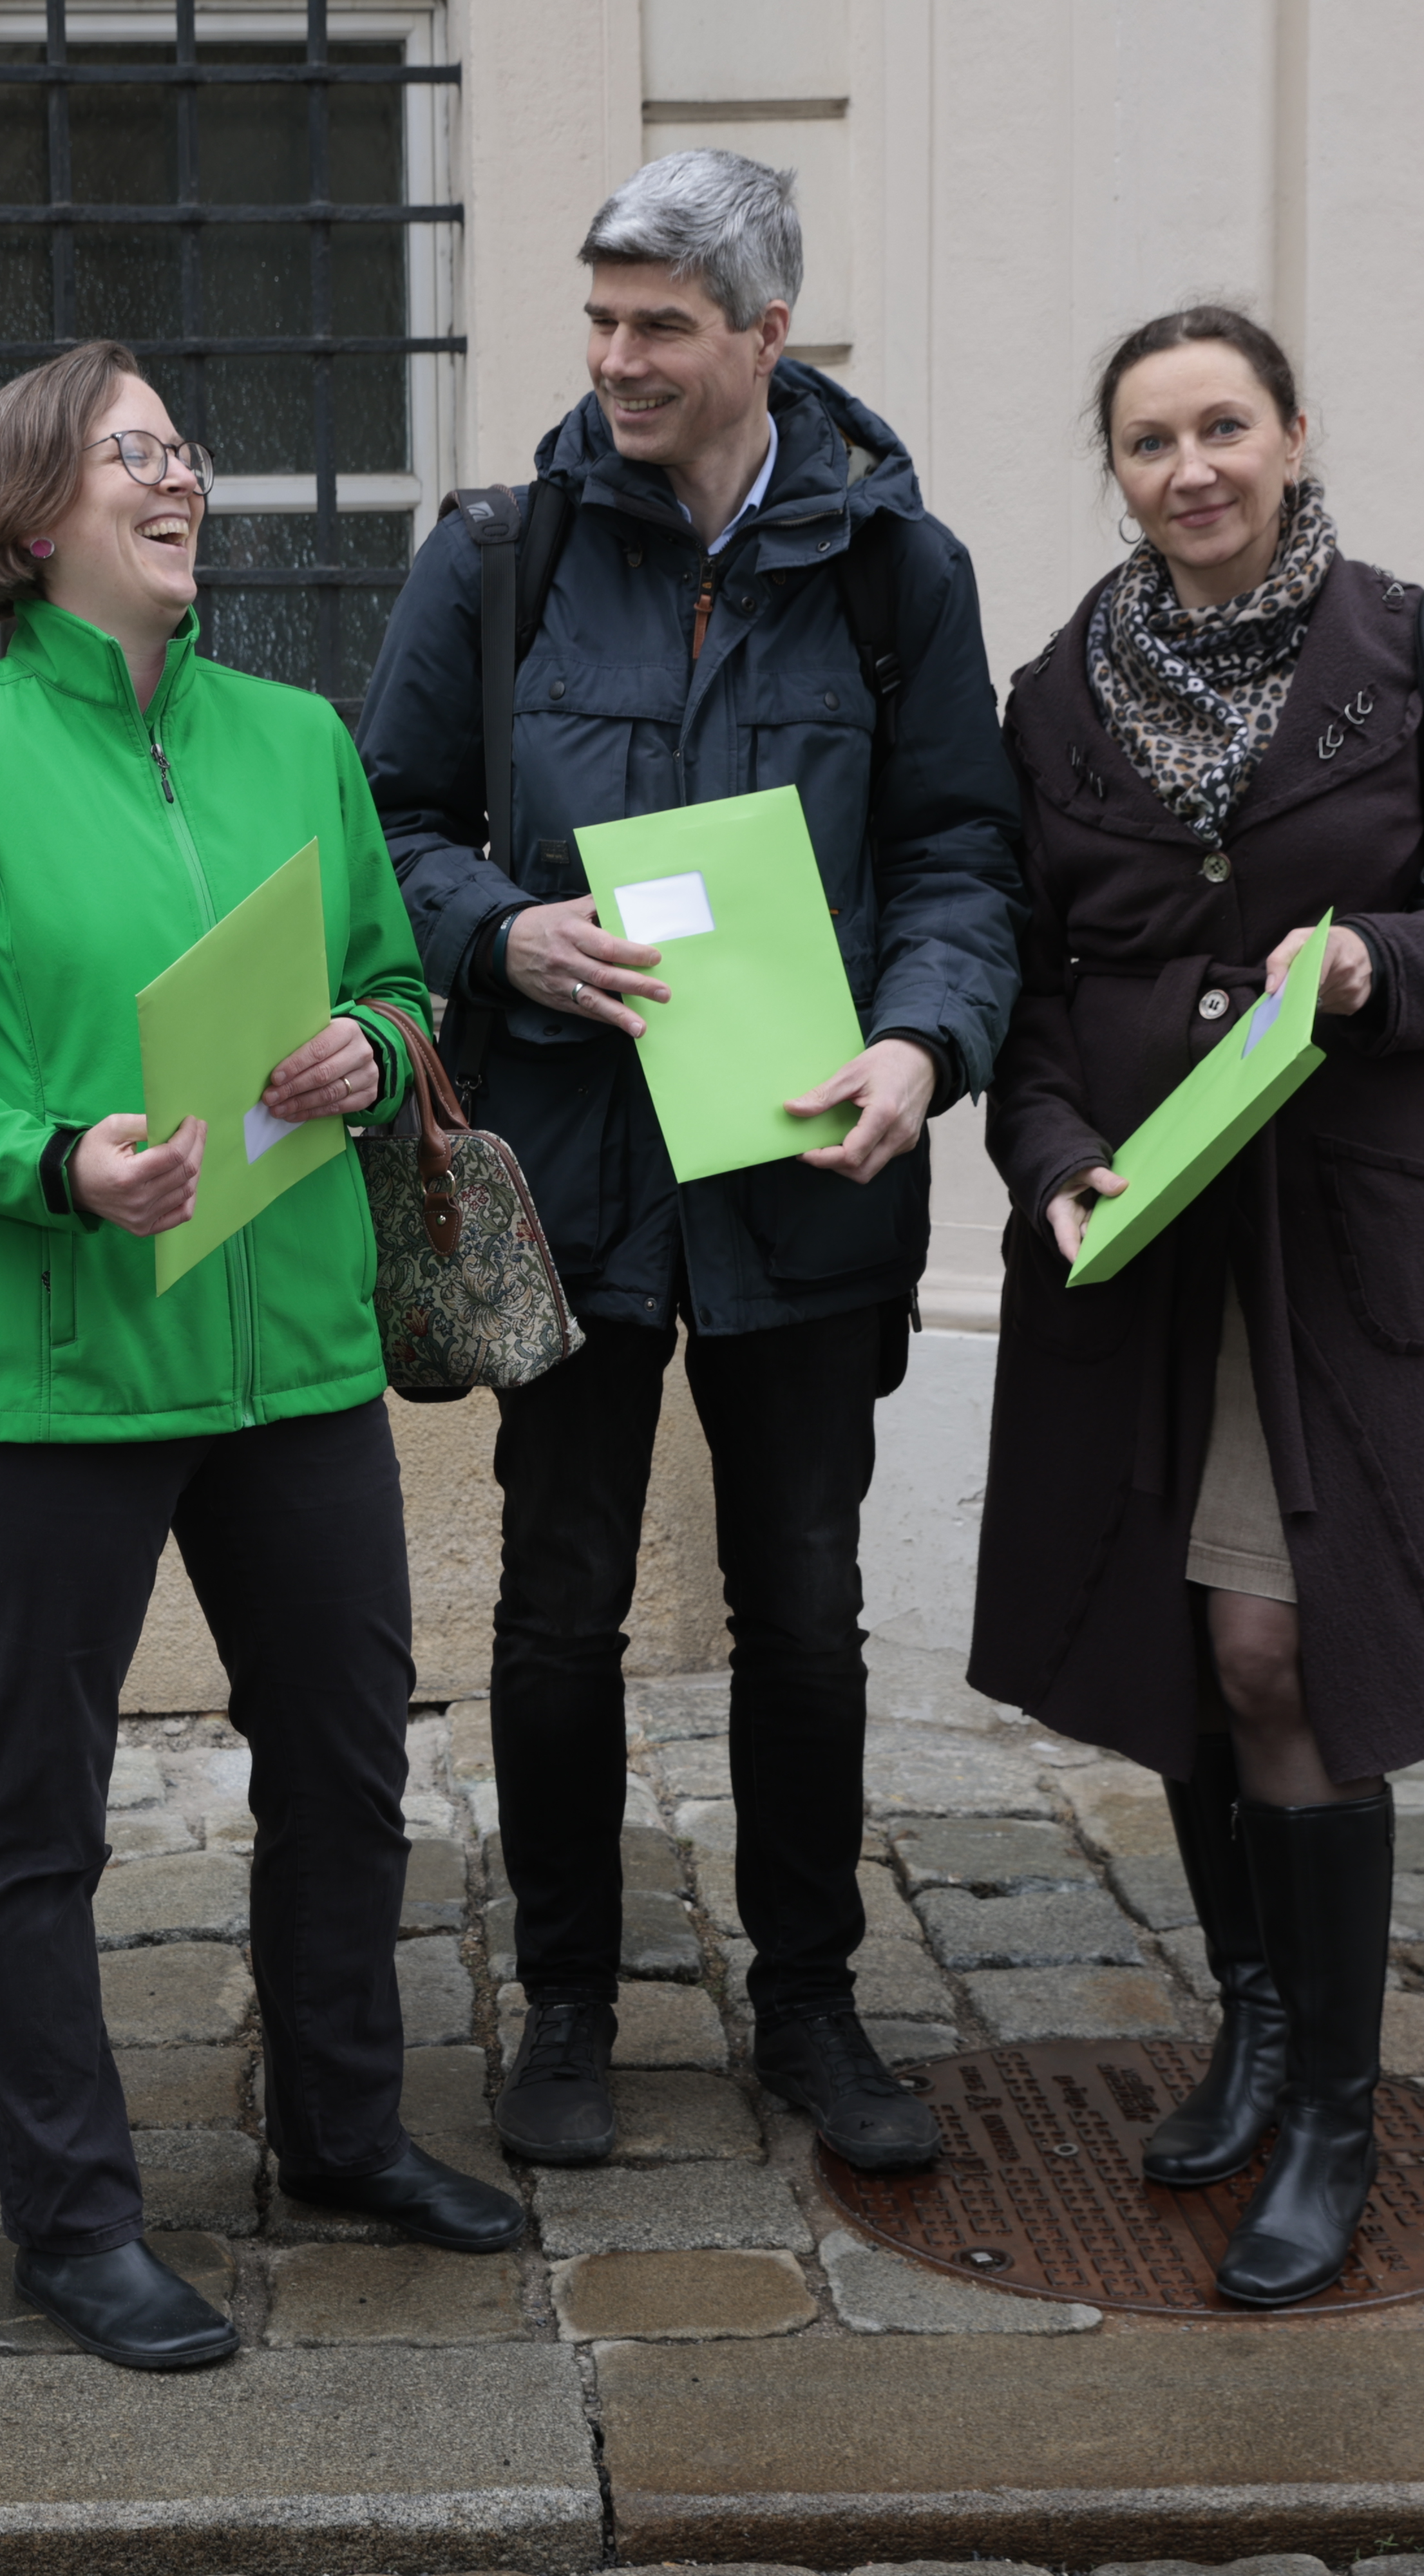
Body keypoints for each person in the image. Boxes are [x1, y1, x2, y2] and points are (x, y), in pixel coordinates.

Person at [0, 339, 521, 2372]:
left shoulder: (298, 736)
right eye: (134, 453)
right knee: (39, 1816)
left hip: (291, 1356)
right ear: (33, 524)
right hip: (46, 1382)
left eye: (184, 447)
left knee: (348, 1769)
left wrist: (368, 1052)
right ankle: (75, 2219)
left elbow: (394, 985)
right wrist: (50, 1159)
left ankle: (348, 2131)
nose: (179, 474)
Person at [356, 151, 1026, 2174]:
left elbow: (960, 857)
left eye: (661, 324)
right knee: (558, 1605)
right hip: (567, 1175)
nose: (616, 359)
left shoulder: (901, 570)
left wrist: (927, 1037)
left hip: (806, 1176)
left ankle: (811, 2004)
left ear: (765, 334)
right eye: (601, 318)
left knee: (801, 1608)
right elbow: (384, 819)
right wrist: (500, 930)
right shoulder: (502, 554)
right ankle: (571, 1999)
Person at [968, 305, 1424, 2306]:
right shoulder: (1058, 692)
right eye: (1153, 441)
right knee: (1179, 1640)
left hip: (1331, 1238)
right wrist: (1047, 1144)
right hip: (1141, 1233)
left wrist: (1378, 978)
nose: (1194, 469)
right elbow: (1033, 974)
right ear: (1122, 470)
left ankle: (1333, 2098)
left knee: (1277, 1656)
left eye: (1224, 425)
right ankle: (1249, 2014)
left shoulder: (1417, 649)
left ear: (1294, 431)